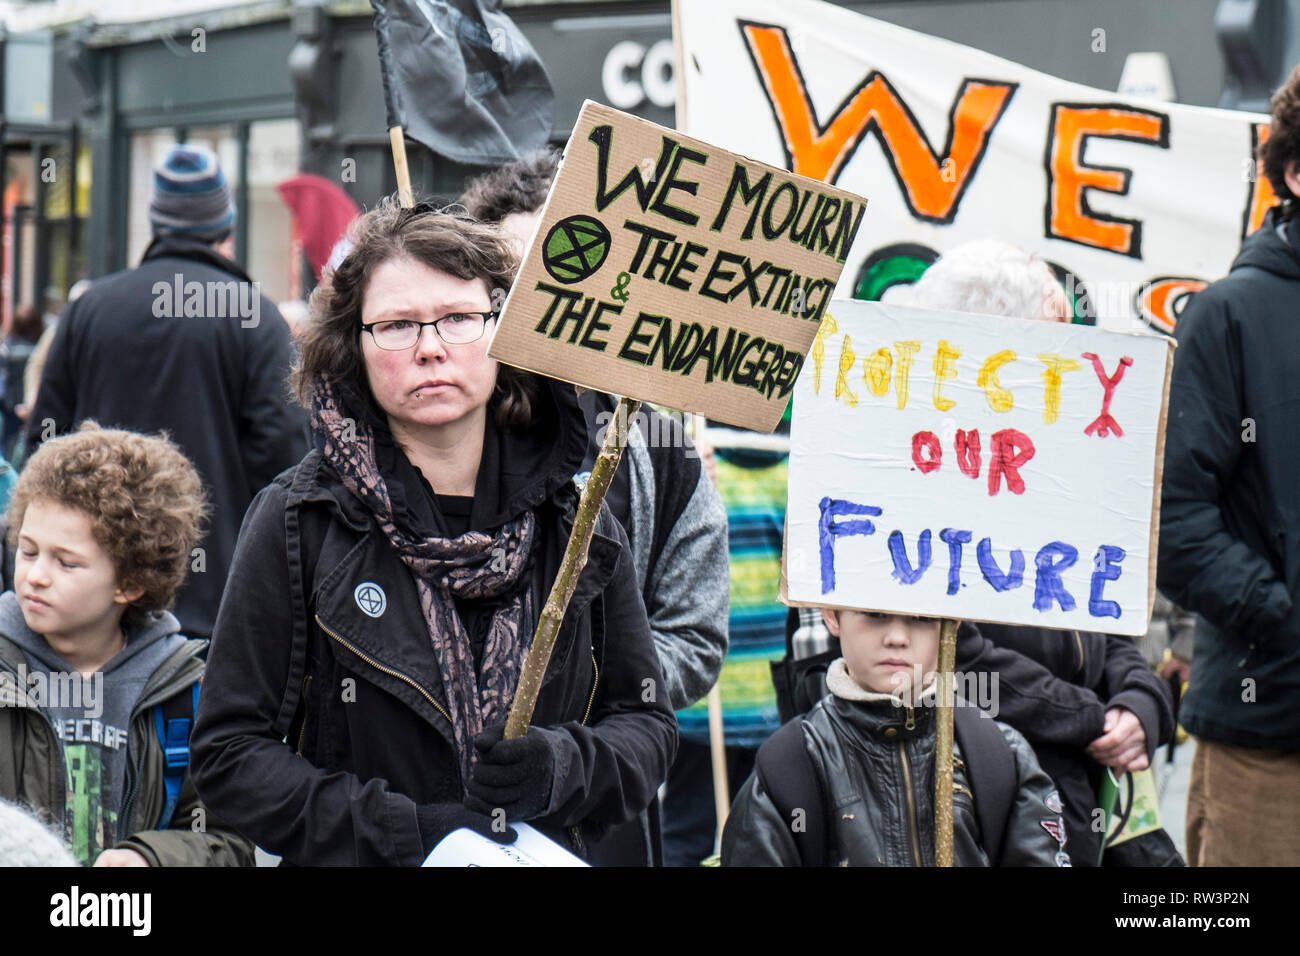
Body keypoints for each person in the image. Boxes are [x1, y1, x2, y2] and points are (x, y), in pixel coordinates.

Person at [189, 197, 678, 866]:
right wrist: (407, 831)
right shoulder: (299, 521)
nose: (429, 348)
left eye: (458, 319)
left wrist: (559, 767)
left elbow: (646, 725)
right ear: (353, 347)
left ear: (505, 333)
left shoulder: (576, 522)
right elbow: (228, 755)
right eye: (395, 326)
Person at [461, 151, 730, 865]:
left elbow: (695, 635)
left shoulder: (660, 443)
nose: (541, 300)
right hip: (446, 800)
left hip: (597, 804)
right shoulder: (440, 432)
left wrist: (589, 699)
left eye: (562, 270)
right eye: (513, 280)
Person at [884, 238, 1176, 866]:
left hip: (1087, 795)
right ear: (992, 342)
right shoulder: (916, 474)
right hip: (978, 801)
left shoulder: (1067, 466)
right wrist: (1092, 721)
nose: (1074, 356)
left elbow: (1111, 619)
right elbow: (948, 652)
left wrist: (1139, 706)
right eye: (1056, 335)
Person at [24, 144, 306, 641]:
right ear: (226, 227)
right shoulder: (255, 317)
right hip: (215, 601)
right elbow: (283, 457)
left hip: (93, 597)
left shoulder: (90, 309)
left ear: (156, 224)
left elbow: (44, 451)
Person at [1157, 64, 1300, 867]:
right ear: (1294, 173)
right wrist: (1283, 617)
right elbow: (1174, 522)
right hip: (1268, 745)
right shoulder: (1226, 315)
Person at [0, 424, 253, 866]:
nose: (36, 575)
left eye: (66, 562)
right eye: (27, 550)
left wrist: (151, 858)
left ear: (131, 583)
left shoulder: (185, 693)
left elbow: (228, 841)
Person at [722, 610, 1066, 866]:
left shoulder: (1001, 755)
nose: (897, 637)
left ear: (953, 623)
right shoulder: (789, 767)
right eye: (874, 614)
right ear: (831, 615)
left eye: (919, 617)